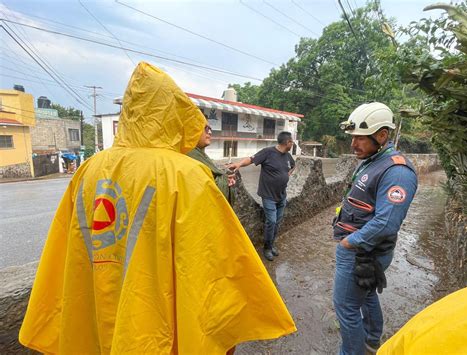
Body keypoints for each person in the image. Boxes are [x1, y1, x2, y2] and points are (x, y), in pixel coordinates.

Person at [19, 62, 296, 354]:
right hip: (157, 326)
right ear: (172, 113)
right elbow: (213, 268)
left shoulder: (87, 171)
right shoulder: (185, 175)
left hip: (99, 315)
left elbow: (65, 252)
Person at [332, 102, 418, 355]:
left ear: (381, 135)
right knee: (367, 294)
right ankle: (370, 340)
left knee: (346, 308)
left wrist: (348, 243)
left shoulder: (397, 172)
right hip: (362, 249)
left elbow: (387, 223)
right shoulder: (373, 160)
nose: (353, 144)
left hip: (362, 251)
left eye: (360, 138)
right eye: (352, 137)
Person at [227, 131, 295, 261]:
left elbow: (293, 165)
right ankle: (267, 248)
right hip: (268, 195)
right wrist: (239, 164)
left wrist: (288, 174)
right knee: (272, 222)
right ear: (287, 142)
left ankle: (272, 244)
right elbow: (251, 159)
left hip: (282, 195)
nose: (292, 144)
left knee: (277, 222)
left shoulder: (287, 156)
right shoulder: (267, 152)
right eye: (291, 142)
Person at [187, 122, 236, 205]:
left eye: (210, 129)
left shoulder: (201, 155)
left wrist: (224, 179)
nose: (210, 132)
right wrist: (223, 180)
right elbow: (199, 190)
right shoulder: (188, 157)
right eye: (206, 128)